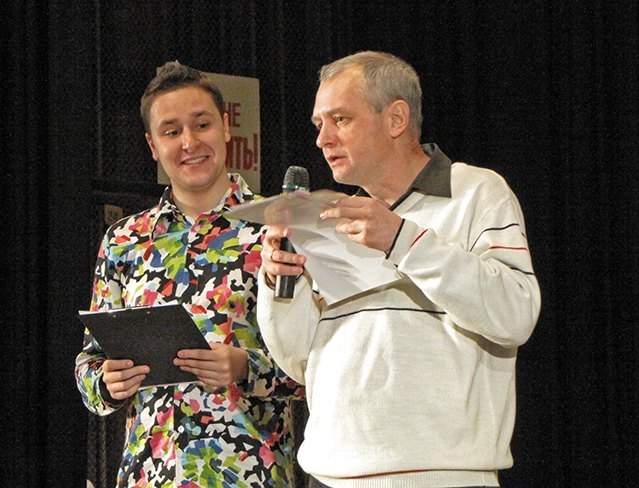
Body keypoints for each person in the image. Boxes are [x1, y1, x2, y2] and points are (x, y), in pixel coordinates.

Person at [257, 51, 541, 488]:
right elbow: (298, 362)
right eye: (319, 124)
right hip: (328, 474)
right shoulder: (331, 219)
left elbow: (515, 313)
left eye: (340, 120)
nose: (322, 139)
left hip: (442, 476)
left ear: (395, 119)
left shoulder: (475, 191)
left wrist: (402, 240)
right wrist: (281, 282)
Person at [75, 61, 303, 487]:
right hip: (150, 474)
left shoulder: (278, 228)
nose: (189, 142)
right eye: (171, 131)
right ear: (152, 145)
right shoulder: (124, 240)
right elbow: (89, 365)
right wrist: (106, 382)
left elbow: (317, 366)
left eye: (202, 125)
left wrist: (244, 367)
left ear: (226, 128)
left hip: (249, 472)